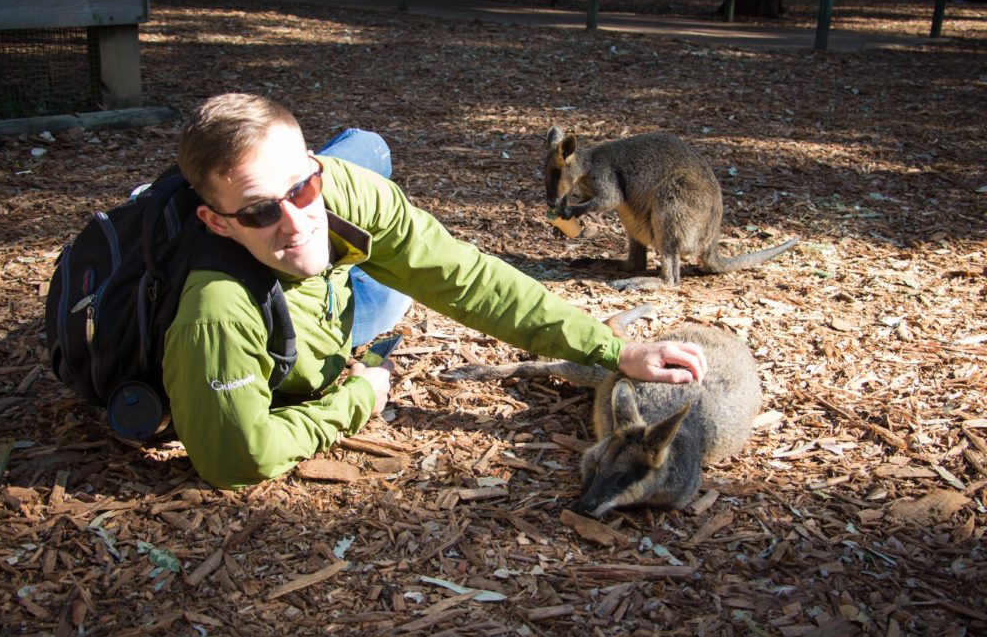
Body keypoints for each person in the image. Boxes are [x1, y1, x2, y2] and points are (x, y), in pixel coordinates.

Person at [163, 93, 708, 490]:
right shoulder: (218, 315)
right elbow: (237, 459)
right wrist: (357, 399)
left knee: (369, 150)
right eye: (260, 209)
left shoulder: (338, 189)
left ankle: (314, 197)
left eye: (303, 186)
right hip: (300, 322)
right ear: (217, 222)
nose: (296, 218)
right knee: (393, 300)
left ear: (313, 166)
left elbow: (464, 277)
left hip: (326, 271)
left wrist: (615, 348)